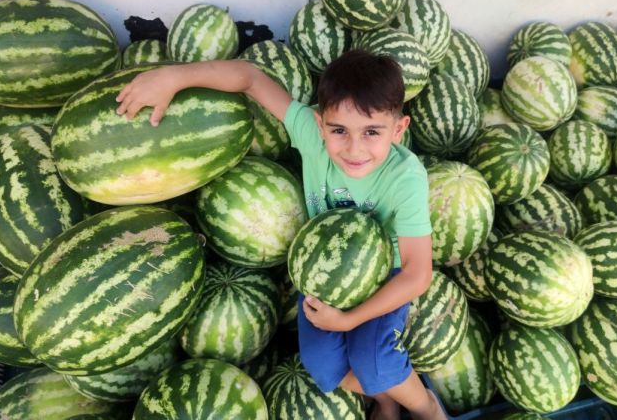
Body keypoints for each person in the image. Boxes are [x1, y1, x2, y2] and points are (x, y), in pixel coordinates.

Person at [115, 49, 443, 420]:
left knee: (375, 360)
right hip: (318, 273)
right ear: (320, 125)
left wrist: (350, 320)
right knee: (322, 367)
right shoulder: (308, 133)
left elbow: (419, 273)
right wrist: (173, 78)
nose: (354, 149)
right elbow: (249, 78)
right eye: (339, 131)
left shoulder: (406, 177)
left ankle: (426, 407)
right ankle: (385, 401)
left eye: (372, 132)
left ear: (398, 130)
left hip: (384, 277)